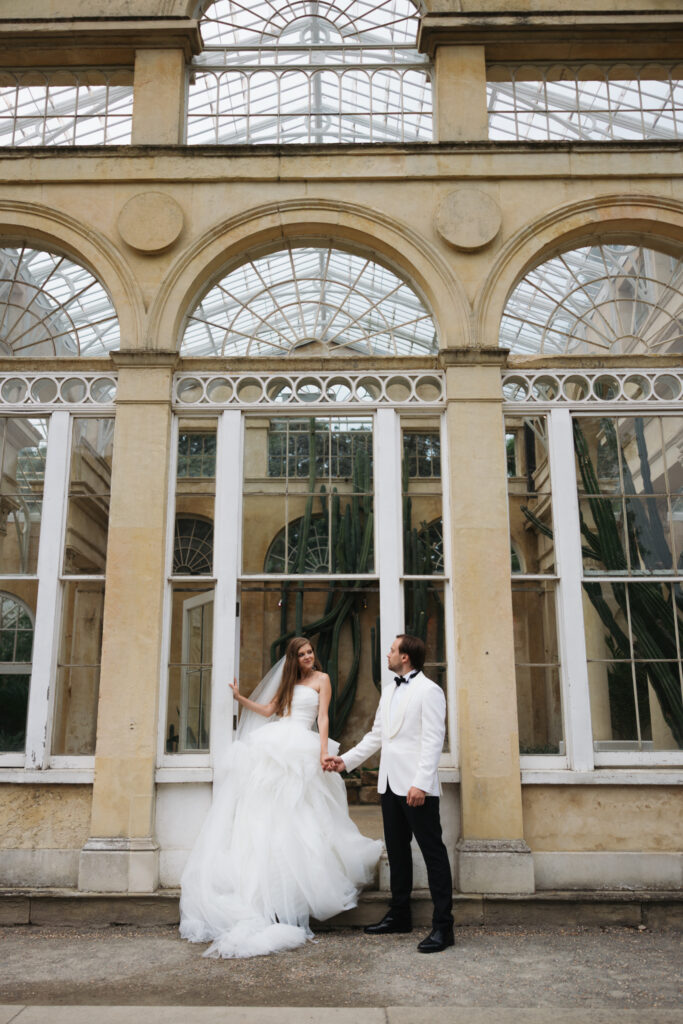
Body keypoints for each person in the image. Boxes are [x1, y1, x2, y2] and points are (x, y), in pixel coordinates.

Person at [179, 636, 382, 959]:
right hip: (275, 744)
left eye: (310, 652)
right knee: (266, 814)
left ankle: (302, 887)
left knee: (304, 813)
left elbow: (323, 717)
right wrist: (239, 698)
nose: (307, 657)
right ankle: (269, 893)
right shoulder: (289, 681)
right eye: (301, 654)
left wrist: (322, 751)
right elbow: (270, 709)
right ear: (293, 658)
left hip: (302, 745)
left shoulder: (322, 680)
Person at [324, 634, 454, 953]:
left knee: (433, 854)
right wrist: (346, 762)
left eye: (393, 650)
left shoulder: (429, 692)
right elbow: (377, 736)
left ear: (406, 657)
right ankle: (399, 915)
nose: (388, 654)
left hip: (416, 788)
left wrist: (421, 783)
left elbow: (433, 741)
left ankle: (443, 927)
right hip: (389, 784)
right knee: (397, 853)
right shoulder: (390, 690)